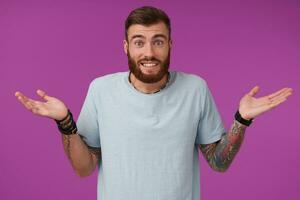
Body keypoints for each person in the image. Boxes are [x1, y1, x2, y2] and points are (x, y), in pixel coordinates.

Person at [15, 6, 292, 200]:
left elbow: (219, 163)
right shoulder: (101, 89)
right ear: (126, 47)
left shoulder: (195, 88)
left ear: (170, 44)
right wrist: (65, 122)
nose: (149, 52)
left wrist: (241, 120)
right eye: (139, 42)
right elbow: (84, 168)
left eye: (158, 41)